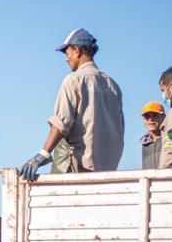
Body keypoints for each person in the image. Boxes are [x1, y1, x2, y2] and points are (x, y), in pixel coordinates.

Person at [21, 28, 125, 181]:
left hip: (79, 166)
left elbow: (61, 122)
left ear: (77, 51)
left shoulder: (74, 80)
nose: (66, 59)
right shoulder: (113, 85)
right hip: (107, 170)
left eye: (67, 53)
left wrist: (42, 154)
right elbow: (119, 130)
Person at [139, 101, 166, 169]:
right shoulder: (145, 144)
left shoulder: (169, 138)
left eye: (155, 115)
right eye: (147, 116)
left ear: (163, 117)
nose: (150, 119)